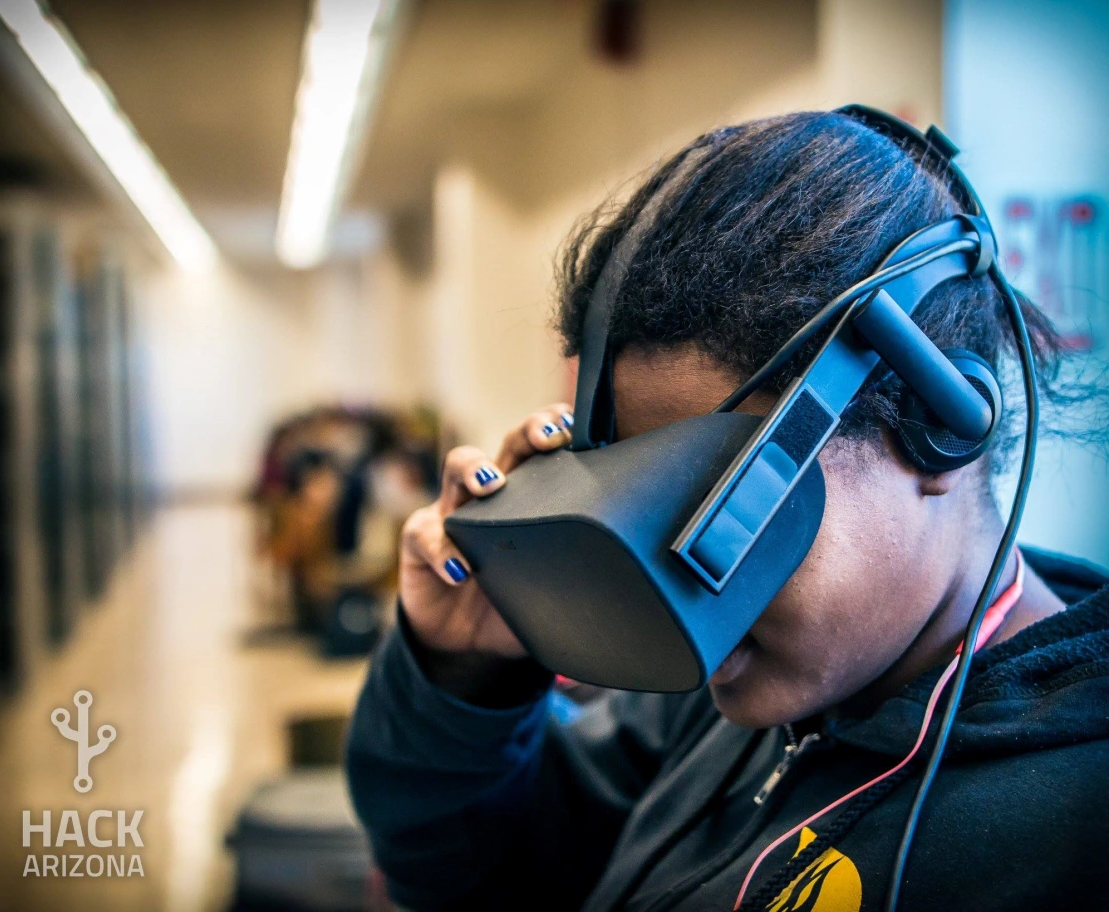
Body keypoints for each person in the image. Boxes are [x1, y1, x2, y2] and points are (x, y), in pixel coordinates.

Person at [345, 111, 1109, 911]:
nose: (678, 587)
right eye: (639, 488)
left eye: (717, 512)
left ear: (939, 429)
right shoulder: (730, 705)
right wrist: (463, 676)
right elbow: (482, 878)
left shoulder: (1069, 839)